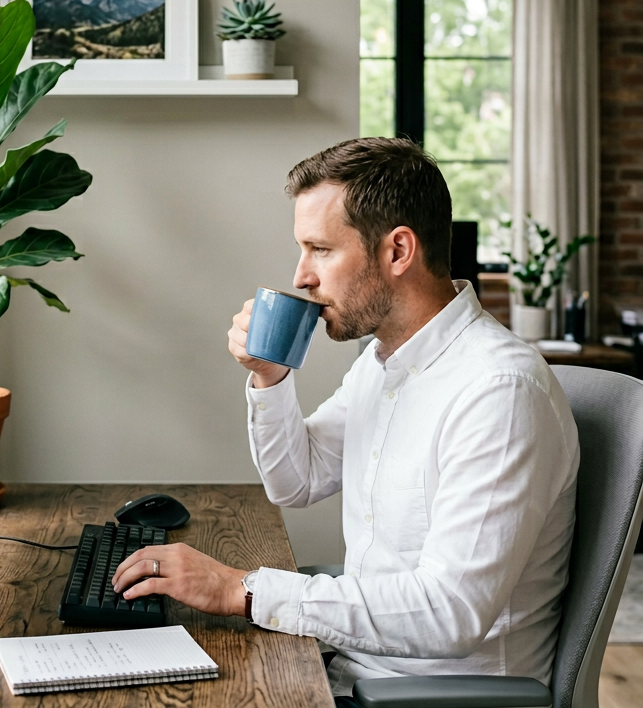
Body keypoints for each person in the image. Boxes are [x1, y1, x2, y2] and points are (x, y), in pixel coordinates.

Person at [112, 137, 579, 701]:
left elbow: (450, 612)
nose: (302, 276)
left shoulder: (498, 391)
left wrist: (244, 590)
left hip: (423, 695)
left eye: (320, 250)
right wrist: (270, 376)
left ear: (398, 251)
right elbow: (296, 480)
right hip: (352, 668)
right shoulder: (383, 364)